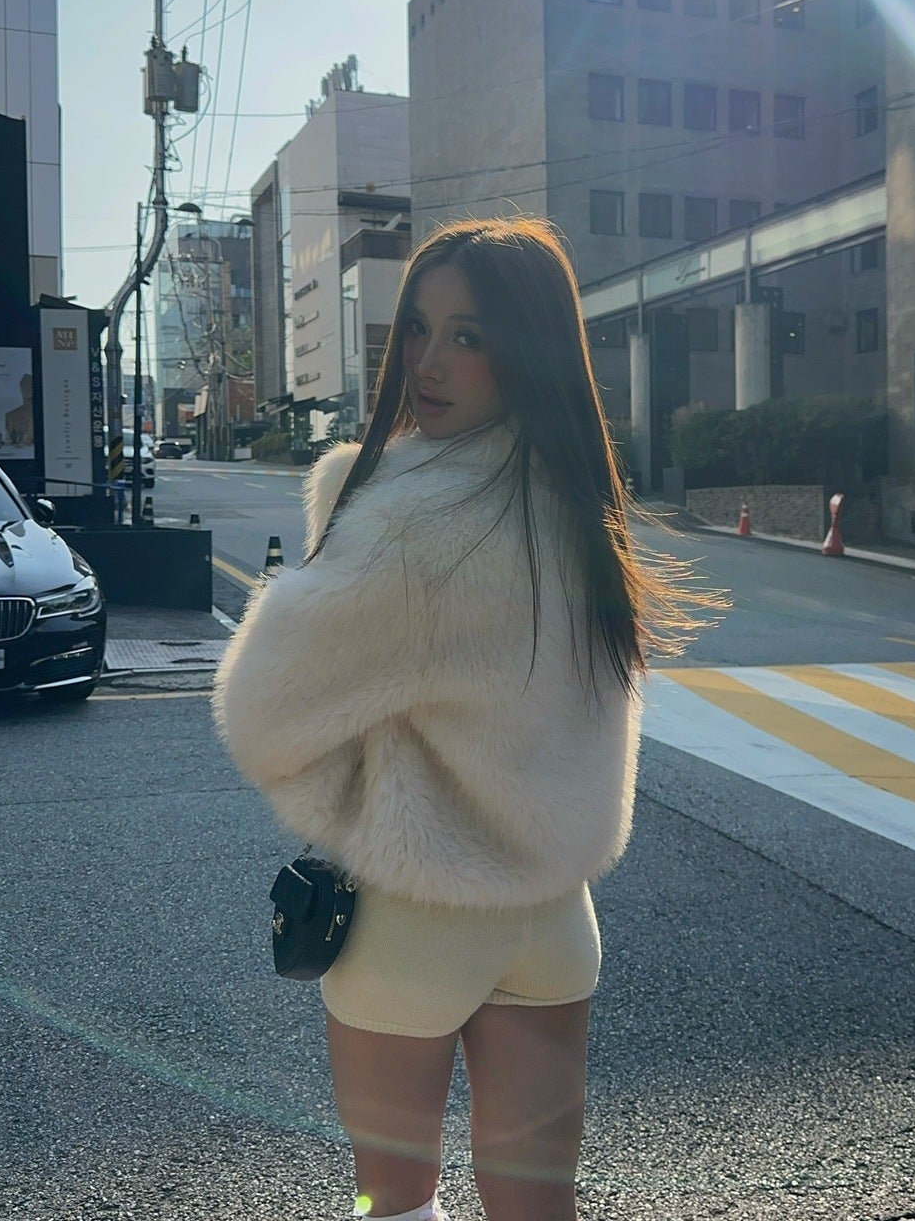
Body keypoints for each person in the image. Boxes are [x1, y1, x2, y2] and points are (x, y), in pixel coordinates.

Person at [213, 217, 712, 1221]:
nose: (430, 363)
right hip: (554, 922)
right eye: (420, 331)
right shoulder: (580, 503)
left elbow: (260, 714)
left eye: (469, 336)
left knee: (388, 1202)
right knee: (537, 1208)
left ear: (519, 351)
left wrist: (350, 810)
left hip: (412, 920)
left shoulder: (404, 518)